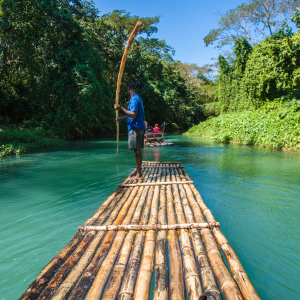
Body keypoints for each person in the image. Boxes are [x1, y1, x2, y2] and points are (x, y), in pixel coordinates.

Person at [114, 82, 146, 181]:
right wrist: (121, 118)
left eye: (127, 89)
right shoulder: (136, 98)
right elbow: (132, 114)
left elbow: (133, 114)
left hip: (136, 128)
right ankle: (138, 170)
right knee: (137, 150)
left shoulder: (135, 99)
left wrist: (120, 108)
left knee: (137, 150)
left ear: (129, 89)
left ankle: (139, 174)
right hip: (138, 127)